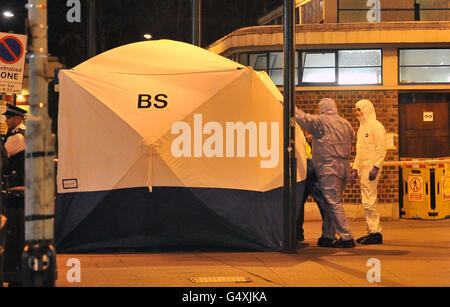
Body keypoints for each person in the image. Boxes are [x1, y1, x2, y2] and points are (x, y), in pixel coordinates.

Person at [294, 98, 356, 248]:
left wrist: (286, 103)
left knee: (333, 203)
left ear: (322, 108)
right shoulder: (345, 123)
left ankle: (346, 237)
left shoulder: (321, 122)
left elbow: (302, 117)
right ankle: (327, 236)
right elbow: (353, 136)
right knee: (331, 202)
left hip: (329, 167)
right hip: (344, 167)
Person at [350, 99, 387, 245]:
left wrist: (376, 166)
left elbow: (381, 148)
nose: (357, 113)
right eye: (356, 110)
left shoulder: (376, 126)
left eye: (359, 110)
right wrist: (355, 168)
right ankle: (371, 231)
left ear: (366, 110)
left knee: (369, 201)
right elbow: (360, 152)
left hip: (371, 168)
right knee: (366, 200)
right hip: (363, 168)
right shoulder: (362, 127)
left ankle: (375, 233)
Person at [295, 130, 328, 243]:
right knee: (301, 202)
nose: (309, 136)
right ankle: (298, 233)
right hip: (309, 167)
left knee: (300, 202)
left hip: (308, 167)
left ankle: (297, 233)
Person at [2, 104, 27, 188]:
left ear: (18, 119)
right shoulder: (22, 132)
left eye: (8, 118)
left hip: (15, 182)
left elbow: (2, 156)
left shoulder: (17, 137)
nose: (6, 121)